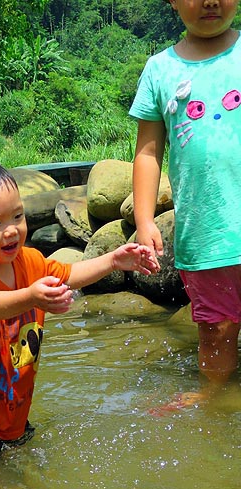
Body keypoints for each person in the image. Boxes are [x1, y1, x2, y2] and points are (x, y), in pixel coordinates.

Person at [0, 158, 159, 470]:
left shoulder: (29, 260)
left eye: (17, 216)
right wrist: (32, 297)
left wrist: (113, 260)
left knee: (19, 455)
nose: (11, 230)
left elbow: (70, 273)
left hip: (10, 399)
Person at [129, 0, 241, 409]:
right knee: (216, 328)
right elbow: (147, 152)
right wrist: (144, 220)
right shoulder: (160, 70)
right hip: (207, 230)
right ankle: (213, 396)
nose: (210, 1)